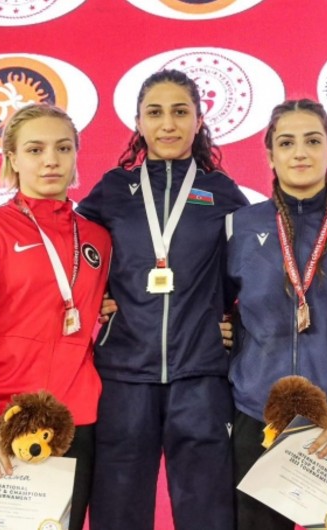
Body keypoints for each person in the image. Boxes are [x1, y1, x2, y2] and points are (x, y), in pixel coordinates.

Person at [76, 69, 249, 530]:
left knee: (208, 513)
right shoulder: (113, 190)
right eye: (155, 113)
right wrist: (94, 298)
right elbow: (72, 253)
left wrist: (237, 323)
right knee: (118, 512)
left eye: (180, 112)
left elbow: (256, 272)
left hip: (201, 375)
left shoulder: (222, 193)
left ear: (199, 120)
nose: (168, 124)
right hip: (124, 373)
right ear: (138, 122)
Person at [0, 103, 111, 530]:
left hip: (71, 423)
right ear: (13, 159)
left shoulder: (98, 238)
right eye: (35, 150)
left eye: (63, 148)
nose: (51, 160)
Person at [225, 98, 327, 530]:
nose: (300, 152)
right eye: (286, 143)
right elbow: (214, 311)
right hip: (258, 415)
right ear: (270, 155)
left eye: (313, 141)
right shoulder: (239, 226)